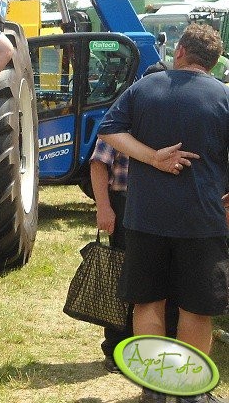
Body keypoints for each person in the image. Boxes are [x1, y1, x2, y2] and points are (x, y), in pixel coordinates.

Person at [98, 24, 229, 374]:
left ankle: (154, 384)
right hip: (203, 220)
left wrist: (152, 157)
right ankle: (187, 391)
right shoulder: (224, 96)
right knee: (195, 309)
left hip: (145, 218)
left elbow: (109, 130)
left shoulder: (144, 88)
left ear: (180, 51)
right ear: (213, 64)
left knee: (148, 302)